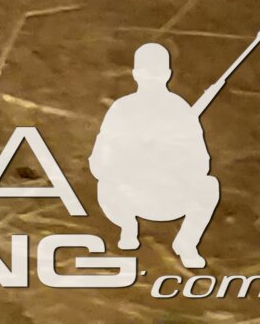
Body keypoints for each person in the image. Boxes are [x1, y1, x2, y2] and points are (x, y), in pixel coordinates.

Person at [91, 42, 225, 268]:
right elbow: (99, 162)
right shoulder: (123, 109)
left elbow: (201, 164)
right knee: (106, 184)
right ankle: (128, 227)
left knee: (208, 186)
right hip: (129, 198)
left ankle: (186, 243)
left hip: (170, 197)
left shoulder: (180, 111)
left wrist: (169, 159)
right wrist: (130, 166)